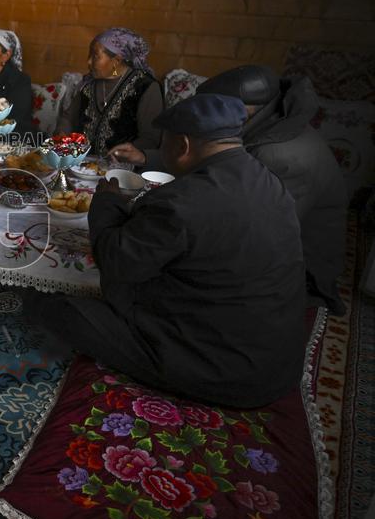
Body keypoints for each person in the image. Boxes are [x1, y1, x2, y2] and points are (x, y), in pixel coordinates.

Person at [38, 94, 306, 408]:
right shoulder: (270, 181)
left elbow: (115, 262)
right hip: (277, 361)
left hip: (225, 371)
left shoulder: (184, 200)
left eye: (164, 144)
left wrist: (107, 200)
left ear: (183, 145)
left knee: (59, 309)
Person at [198, 65, 348, 315]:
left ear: (247, 109)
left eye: (217, 108)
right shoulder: (271, 123)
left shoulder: (280, 154)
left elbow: (258, 237)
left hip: (299, 271)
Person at [56, 27, 163, 153]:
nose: (88, 61)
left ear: (116, 61)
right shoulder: (89, 83)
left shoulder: (145, 87)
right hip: (82, 165)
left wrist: (124, 154)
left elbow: (150, 138)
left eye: (95, 56)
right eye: (89, 54)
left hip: (122, 168)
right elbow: (68, 118)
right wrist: (62, 134)